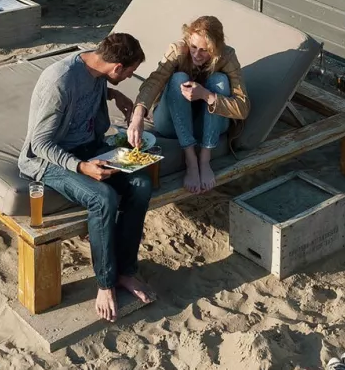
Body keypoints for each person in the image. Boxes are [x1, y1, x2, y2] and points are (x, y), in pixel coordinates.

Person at [17, 32, 153, 322]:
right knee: (103, 198)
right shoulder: (60, 81)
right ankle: (105, 284)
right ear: (117, 67)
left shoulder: (97, 63)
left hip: (91, 146)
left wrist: (114, 94)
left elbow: (88, 91)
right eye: (129, 72)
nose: (129, 76)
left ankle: (126, 272)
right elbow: (39, 145)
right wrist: (81, 167)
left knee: (141, 183)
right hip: (50, 160)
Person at [126, 16, 249, 194]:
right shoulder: (178, 50)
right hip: (172, 124)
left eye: (204, 50)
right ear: (188, 39)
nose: (197, 55)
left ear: (215, 49)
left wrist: (206, 95)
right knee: (178, 79)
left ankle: (204, 159)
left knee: (219, 80)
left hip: (207, 126)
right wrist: (137, 116)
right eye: (193, 47)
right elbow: (154, 81)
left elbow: (242, 108)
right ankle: (191, 160)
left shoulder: (227, 56)